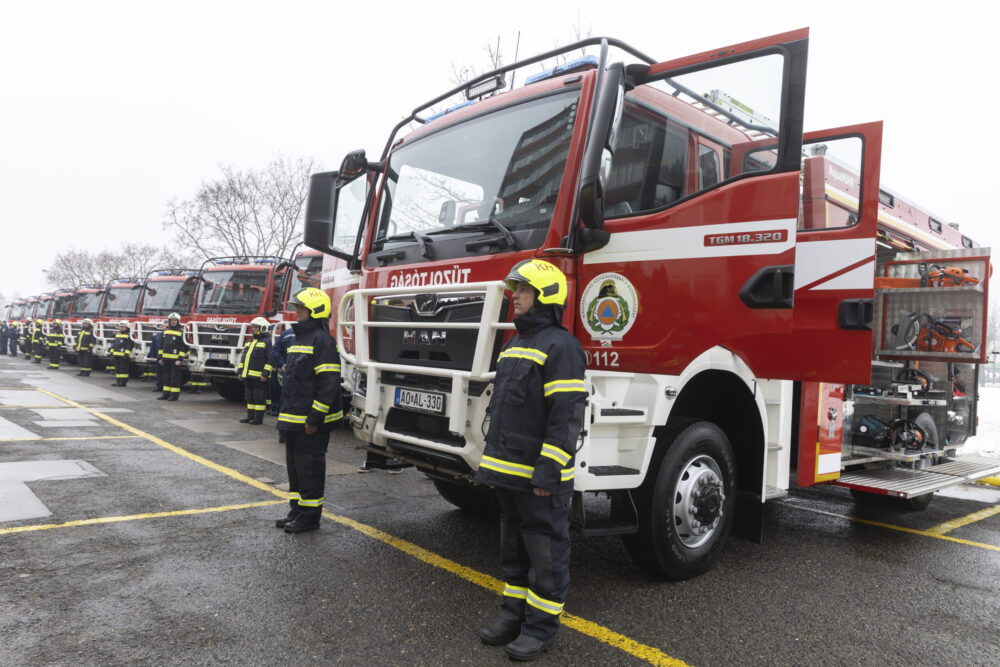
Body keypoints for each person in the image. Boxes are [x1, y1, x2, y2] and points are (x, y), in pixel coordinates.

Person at [474, 259, 587, 662]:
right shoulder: (514, 344)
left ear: (546, 296)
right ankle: (513, 616)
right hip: (507, 472)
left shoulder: (562, 347)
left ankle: (540, 629)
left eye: (523, 290)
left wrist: (548, 471)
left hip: (538, 477)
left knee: (546, 554)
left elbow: (566, 415)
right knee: (514, 551)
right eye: (515, 289)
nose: (515, 296)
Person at [274, 287, 342, 534]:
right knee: (295, 468)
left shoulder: (322, 341)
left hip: (310, 422)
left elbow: (328, 384)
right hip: (293, 418)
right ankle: (297, 510)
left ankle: (310, 517)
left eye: (301, 308)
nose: (297, 312)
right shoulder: (298, 338)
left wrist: (315, 418)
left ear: (315, 311)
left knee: (309, 469)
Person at [237, 317, 273, 425]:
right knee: (249, 398)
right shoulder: (250, 341)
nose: (253, 329)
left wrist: (265, 374)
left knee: (259, 398)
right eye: (253, 327)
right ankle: (250, 416)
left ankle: (258, 419)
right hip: (247, 376)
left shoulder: (267, 342)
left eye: (256, 327)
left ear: (263, 328)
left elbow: (270, 360)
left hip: (259, 377)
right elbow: (243, 358)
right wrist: (240, 372)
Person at [158, 312, 188, 401]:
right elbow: (161, 345)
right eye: (171, 320)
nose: (173, 322)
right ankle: (165, 394)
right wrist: (160, 358)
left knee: (175, 378)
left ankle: (174, 396)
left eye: (175, 320)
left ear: (178, 321)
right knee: (166, 377)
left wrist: (180, 359)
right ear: (169, 321)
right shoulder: (165, 331)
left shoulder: (181, 332)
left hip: (175, 360)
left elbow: (183, 347)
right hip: (165, 359)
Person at [110, 321, 133, 386]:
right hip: (116, 355)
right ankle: (118, 381)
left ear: (127, 327)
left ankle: (123, 382)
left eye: (123, 327)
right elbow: (114, 344)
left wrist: (126, 354)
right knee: (117, 369)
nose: (121, 328)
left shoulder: (129, 335)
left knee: (123, 369)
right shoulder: (118, 334)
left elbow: (129, 345)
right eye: (121, 327)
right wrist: (111, 351)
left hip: (123, 356)